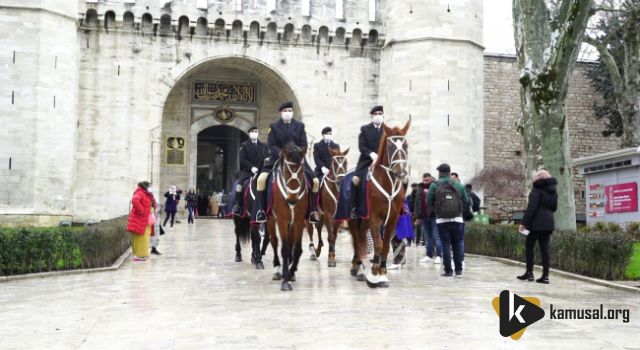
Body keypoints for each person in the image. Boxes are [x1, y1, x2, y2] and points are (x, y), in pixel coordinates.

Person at [254, 101, 320, 224]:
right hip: (278, 159)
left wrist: (297, 151)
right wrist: (281, 154)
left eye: (290, 111)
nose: (288, 113)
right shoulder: (274, 126)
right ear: (281, 113)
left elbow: (303, 144)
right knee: (261, 180)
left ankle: (312, 211)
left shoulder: (300, 126)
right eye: (285, 111)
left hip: (297, 160)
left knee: (315, 181)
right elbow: (271, 144)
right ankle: (261, 211)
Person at [427, 163, 469, 278]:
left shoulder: (434, 185)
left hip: (442, 221)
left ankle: (448, 271)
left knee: (446, 245)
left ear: (439, 173)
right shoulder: (458, 185)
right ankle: (459, 271)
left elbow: (429, 201)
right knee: (458, 244)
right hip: (458, 219)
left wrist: (436, 212)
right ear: (450, 172)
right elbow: (466, 201)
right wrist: (460, 212)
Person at [517, 170, 558, 284]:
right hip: (548, 223)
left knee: (529, 247)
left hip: (535, 224)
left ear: (538, 179)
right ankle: (545, 276)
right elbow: (554, 208)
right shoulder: (554, 191)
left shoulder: (537, 190)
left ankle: (529, 273)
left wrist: (523, 223)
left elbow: (532, 208)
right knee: (545, 249)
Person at [350, 105, 385, 219]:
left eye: (380, 114)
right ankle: (354, 207)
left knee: (399, 177)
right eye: (376, 114)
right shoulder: (365, 129)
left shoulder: (386, 130)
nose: (378, 116)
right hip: (366, 161)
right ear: (372, 116)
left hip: (383, 161)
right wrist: (371, 154)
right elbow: (362, 146)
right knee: (355, 180)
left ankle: (400, 208)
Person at [232, 126, 269, 216]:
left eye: (256, 131)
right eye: (252, 131)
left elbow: (267, 157)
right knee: (239, 185)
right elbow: (242, 159)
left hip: (261, 171)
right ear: (249, 133)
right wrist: (251, 167)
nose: (254, 133)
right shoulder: (244, 145)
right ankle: (238, 205)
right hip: (248, 172)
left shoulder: (264, 146)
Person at [414, 173, 442, 264]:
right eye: (424, 180)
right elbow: (417, 203)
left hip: (434, 216)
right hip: (424, 217)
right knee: (427, 237)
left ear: (431, 180)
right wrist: (417, 217)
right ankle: (429, 255)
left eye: (427, 180)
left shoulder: (435, 187)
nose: (425, 182)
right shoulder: (420, 188)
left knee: (437, 236)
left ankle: (438, 256)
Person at [127, 181, 155, 261]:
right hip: (140, 219)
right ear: (145, 186)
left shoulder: (147, 194)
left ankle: (143, 254)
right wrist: (142, 211)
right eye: (149, 186)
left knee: (145, 237)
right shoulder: (140, 192)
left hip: (146, 220)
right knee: (141, 237)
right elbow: (135, 200)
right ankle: (139, 255)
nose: (151, 188)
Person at [149, 186, 162, 255]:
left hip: (155, 218)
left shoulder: (152, 197)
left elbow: (156, 205)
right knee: (152, 234)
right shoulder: (145, 197)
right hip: (150, 218)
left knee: (155, 234)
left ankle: (154, 248)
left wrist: (158, 207)